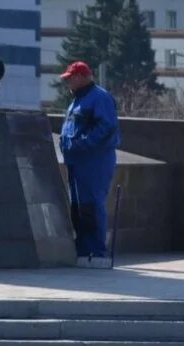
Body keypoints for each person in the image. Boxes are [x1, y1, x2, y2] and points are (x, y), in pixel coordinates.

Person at [58, 61, 120, 269]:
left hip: (95, 160)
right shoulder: (78, 99)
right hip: (77, 159)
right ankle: (83, 249)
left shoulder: (99, 97)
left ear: (82, 76)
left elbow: (106, 127)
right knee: (78, 206)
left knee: (91, 205)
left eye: (70, 77)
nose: (67, 81)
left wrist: (83, 144)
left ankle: (96, 252)